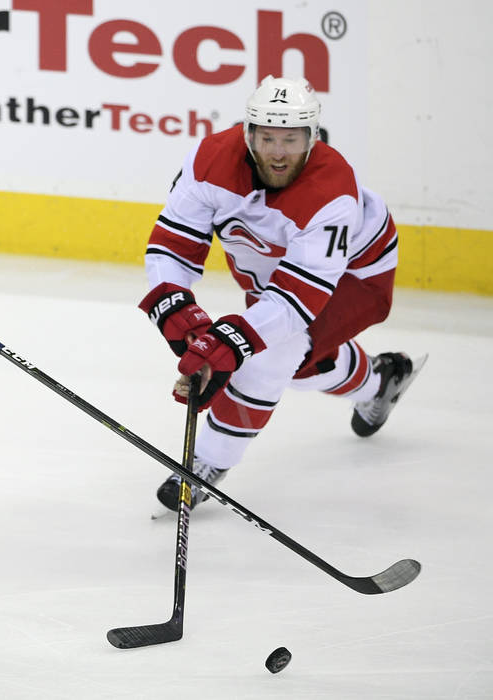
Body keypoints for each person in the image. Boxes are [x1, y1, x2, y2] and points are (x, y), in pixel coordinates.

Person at [139, 75, 424, 512]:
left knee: (273, 354)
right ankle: (381, 381)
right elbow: (171, 245)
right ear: (248, 132)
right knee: (294, 365)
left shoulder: (331, 193)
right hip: (266, 265)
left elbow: (293, 304)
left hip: (354, 273)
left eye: (290, 139)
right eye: (266, 137)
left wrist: (224, 347)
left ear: (312, 137)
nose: (276, 152)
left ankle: (205, 465)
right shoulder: (209, 161)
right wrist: (181, 319)